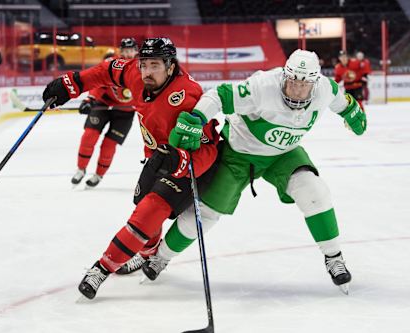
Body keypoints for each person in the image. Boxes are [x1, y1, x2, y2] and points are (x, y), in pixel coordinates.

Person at [141, 49, 367, 295]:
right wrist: (196, 117)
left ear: (315, 82)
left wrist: (352, 113)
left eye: (304, 85)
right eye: (292, 82)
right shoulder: (262, 86)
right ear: (284, 76)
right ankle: (161, 256)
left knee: (314, 191)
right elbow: (219, 95)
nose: (297, 90)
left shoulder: (325, 89)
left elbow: (342, 102)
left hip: (283, 154)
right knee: (205, 214)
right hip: (238, 154)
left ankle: (334, 257)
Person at [42, 38, 220, 299]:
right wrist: (72, 84)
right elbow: (107, 70)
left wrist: (183, 161)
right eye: (144, 64)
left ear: (170, 67)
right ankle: (149, 256)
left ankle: (101, 269)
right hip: (156, 157)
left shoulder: (189, 96)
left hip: (186, 165)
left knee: (149, 210)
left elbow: (209, 147)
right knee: (142, 204)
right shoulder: (136, 73)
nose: (146, 71)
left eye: (155, 65)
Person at [71, 38, 139, 188]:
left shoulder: (143, 68)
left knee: (109, 144)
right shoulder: (112, 64)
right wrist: (90, 99)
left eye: (131, 50)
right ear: (121, 51)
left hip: (125, 112)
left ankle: (98, 175)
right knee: (89, 135)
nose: (128, 53)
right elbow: (98, 82)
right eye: (125, 50)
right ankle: (81, 169)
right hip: (105, 104)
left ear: (136, 51)